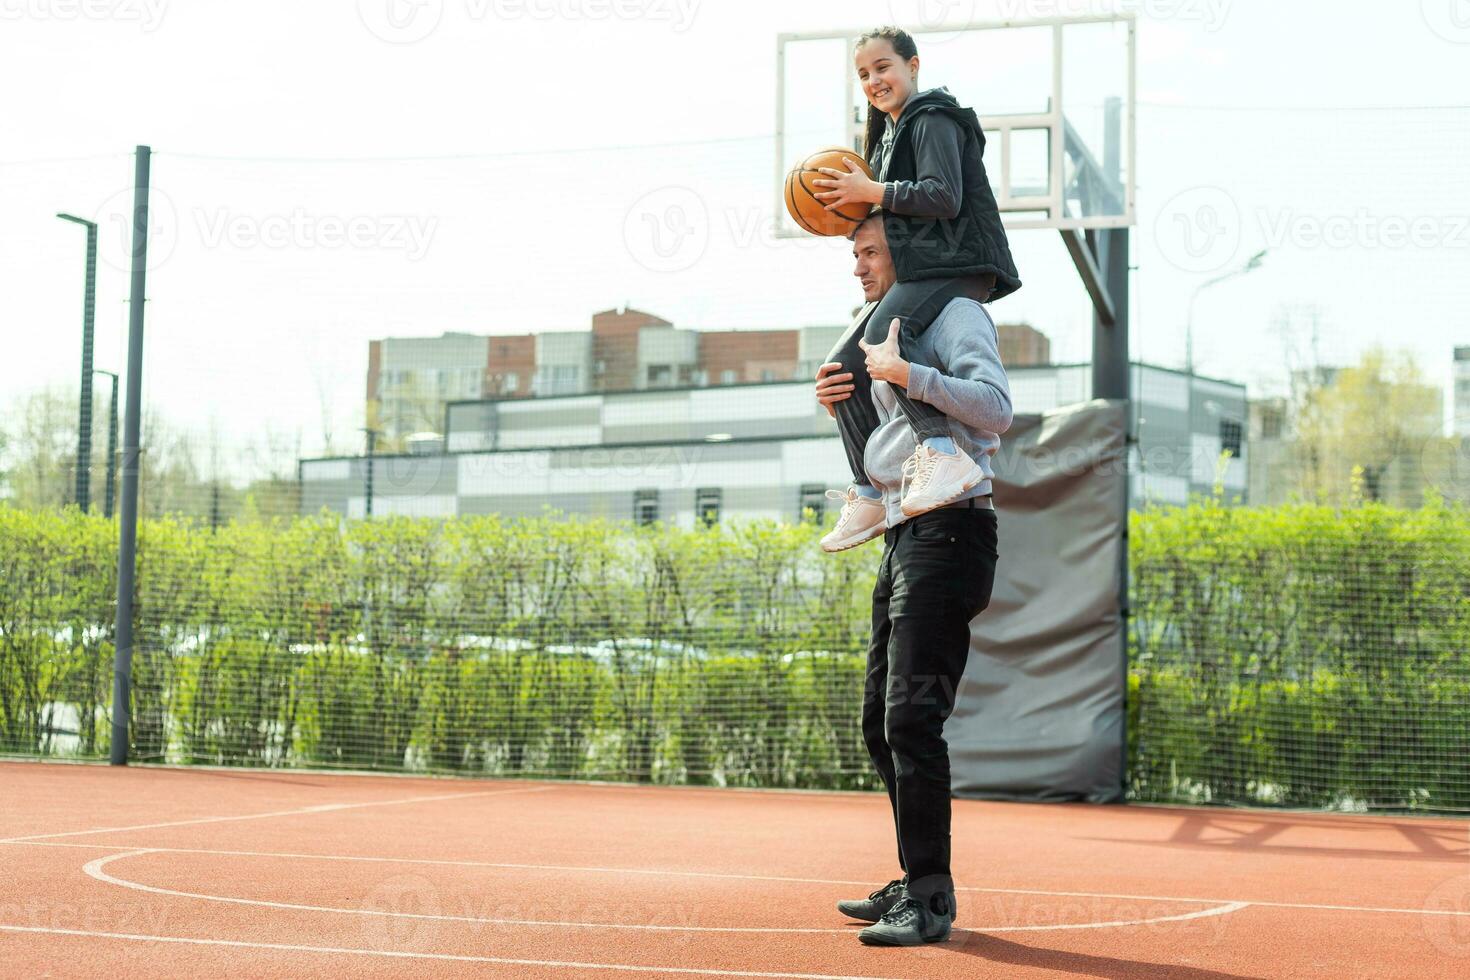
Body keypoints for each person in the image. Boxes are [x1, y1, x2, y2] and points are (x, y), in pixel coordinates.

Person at [814, 212, 1010, 945]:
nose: (859, 266)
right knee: (879, 722)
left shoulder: (956, 313)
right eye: (854, 254)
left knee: (911, 720)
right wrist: (849, 400)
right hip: (903, 529)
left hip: (955, 528)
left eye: (870, 252)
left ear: (908, 250)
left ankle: (929, 901)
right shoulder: (873, 327)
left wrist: (909, 374)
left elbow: (996, 410)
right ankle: (913, 877)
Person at [812, 25, 1020, 538]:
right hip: (925, 269)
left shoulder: (932, 118)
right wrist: (849, 206)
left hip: (958, 265)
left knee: (881, 344)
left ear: (913, 65)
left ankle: (943, 452)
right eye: (863, 74)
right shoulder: (886, 134)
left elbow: (943, 196)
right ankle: (867, 490)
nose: (874, 80)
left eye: (883, 67)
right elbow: (887, 213)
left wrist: (871, 188)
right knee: (842, 368)